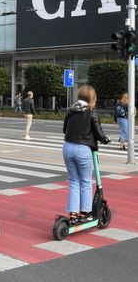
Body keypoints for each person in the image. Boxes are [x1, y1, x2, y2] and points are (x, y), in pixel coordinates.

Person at [62, 85, 110, 224]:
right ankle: (85, 213)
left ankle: (73, 214)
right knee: (86, 181)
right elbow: (99, 133)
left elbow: (65, 129)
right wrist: (105, 139)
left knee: (73, 181)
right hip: (83, 150)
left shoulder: (71, 110)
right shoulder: (91, 112)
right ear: (91, 98)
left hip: (67, 147)